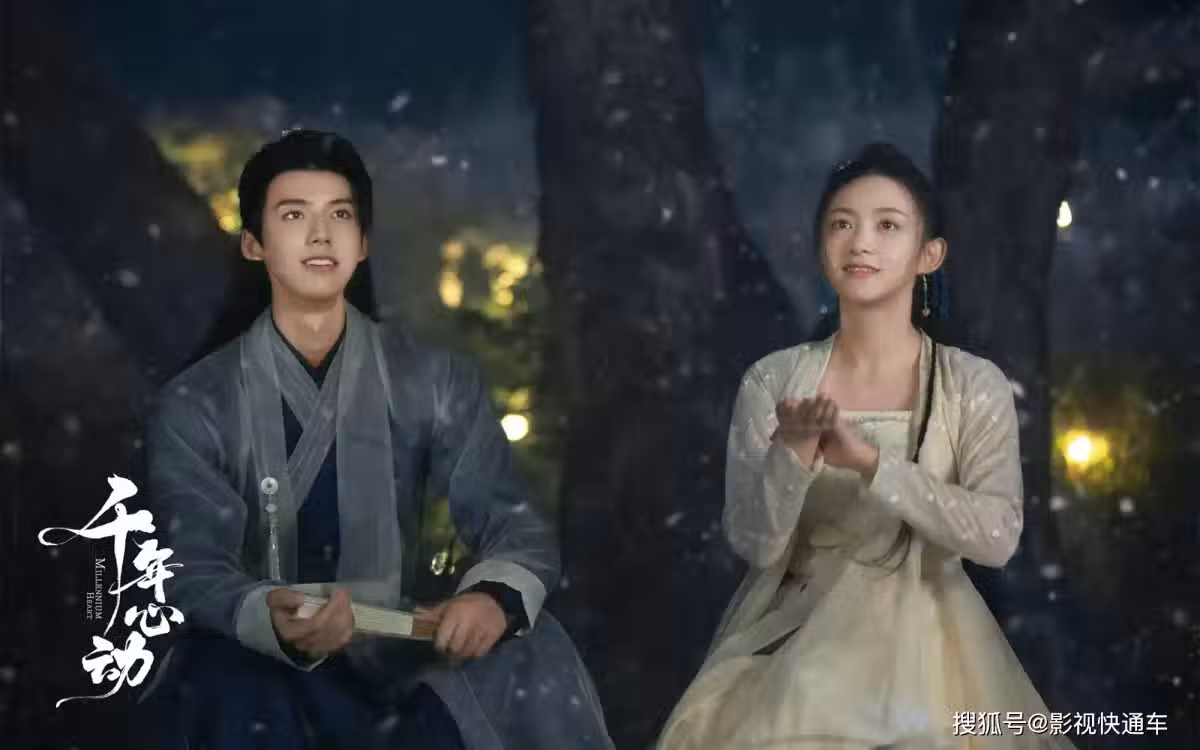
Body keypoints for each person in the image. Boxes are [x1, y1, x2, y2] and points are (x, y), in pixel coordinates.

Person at [144, 129, 613, 750]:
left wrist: (490, 598)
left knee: (530, 651)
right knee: (230, 684)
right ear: (254, 243)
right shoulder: (196, 400)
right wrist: (269, 617)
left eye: (340, 215)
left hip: (393, 650)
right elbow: (192, 562)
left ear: (362, 242)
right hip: (261, 649)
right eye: (294, 215)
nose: (321, 235)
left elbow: (512, 522)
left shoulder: (433, 380)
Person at [656, 143, 1075, 749]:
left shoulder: (970, 383)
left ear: (929, 255)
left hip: (935, 639)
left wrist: (873, 464)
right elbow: (755, 543)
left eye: (888, 226)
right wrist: (792, 455)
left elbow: (997, 536)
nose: (860, 243)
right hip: (797, 636)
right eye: (842, 224)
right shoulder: (774, 380)